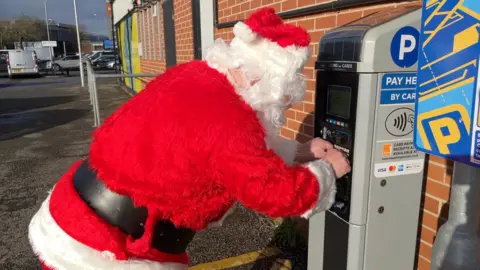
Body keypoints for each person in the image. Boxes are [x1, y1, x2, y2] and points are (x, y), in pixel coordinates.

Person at [28, 7, 350, 270]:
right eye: (283, 101)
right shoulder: (231, 119)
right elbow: (273, 192)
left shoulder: (195, 76)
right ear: (268, 83)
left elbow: (242, 150)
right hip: (112, 248)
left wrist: (300, 151)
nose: (281, 108)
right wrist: (327, 172)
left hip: (74, 215)